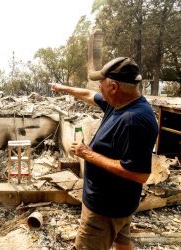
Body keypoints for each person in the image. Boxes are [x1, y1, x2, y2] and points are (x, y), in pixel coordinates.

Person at [50, 57, 158, 250]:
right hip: (118, 204)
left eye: (101, 83)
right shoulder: (118, 104)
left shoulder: (133, 121)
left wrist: (87, 154)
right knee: (122, 243)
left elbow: (139, 174)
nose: (99, 87)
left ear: (114, 87)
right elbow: (88, 95)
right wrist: (63, 88)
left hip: (105, 210)